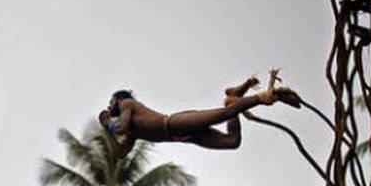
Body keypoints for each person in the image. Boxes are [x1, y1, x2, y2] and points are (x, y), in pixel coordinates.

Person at [98, 70, 300, 158]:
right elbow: (120, 154)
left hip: (175, 123)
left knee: (223, 114)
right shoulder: (132, 132)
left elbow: (120, 127)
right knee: (232, 141)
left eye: (110, 101)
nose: (109, 106)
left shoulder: (127, 103)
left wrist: (107, 122)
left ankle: (263, 97)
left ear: (118, 99)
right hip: (183, 136)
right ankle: (233, 99)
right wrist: (106, 130)